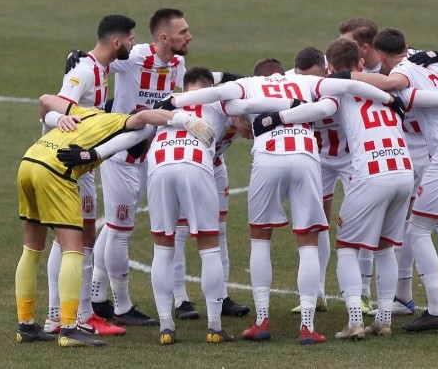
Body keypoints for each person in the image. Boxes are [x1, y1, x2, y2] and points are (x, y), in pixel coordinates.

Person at [155, 57, 408, 345]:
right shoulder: (305, 81)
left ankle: (262, 320)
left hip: (268, 158)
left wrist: (177, 101)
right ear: (282, 72)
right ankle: (307, 326)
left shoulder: (249, 84)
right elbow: (349, 85)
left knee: (260, 239)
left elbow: (217, 94)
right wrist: (388, 97)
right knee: (308, 241)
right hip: (305, 157)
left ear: (259, 75)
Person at [265, 38, 438, 339]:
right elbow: (434, 98)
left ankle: (354, 321)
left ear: (331, 68)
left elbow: (317, 109)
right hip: (403, 172)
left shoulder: (337, 90)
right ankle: (384, 319)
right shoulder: (390, 87)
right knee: (385, 247)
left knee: (348, 247)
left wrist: (278, 117)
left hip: (371, 173)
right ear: (362, 63)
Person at [15, 93, 212, 347]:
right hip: (56, 170)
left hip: (30, 160)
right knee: (74, 250)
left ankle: (26, 326)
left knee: (31, 249)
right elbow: (143, 116)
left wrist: (59, 117)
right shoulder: (118, 122)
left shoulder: (86, 112)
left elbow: (44, 100)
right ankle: (68, 328)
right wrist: (185, 120)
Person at [348, 28, 438, 332]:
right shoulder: (435, 62)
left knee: (418, 229)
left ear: (382, 54)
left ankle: (437, 309)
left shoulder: (403, 71)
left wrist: (344, 76)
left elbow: (391, 84)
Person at [144, 68, 292, 345]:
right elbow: (248, 108)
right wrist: (290, 103)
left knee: (162, 247)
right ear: (211, 86)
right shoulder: (220, 101)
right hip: (195, 163)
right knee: (209, 244)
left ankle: (166, 326)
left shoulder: (165, 100)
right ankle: (214, 326)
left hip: (160, 164)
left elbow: (142, 124)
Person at [90, 8, 192, 327]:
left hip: (150, 152)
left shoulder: (178, 63)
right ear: (164, 38)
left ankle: (96, 294)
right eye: (183, 32)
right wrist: (76, 57)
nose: (189, 36)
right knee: (121, 230)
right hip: (121, 152)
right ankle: (121, 306)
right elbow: (102, 56)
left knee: (119, 226)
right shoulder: (133, 57)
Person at [41, 15, 133, 338]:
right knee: (79, 238)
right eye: (131, 39)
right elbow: (56, 106)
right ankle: (78, 315)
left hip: (81, 167)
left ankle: (60, 315)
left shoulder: (100, 70)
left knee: (71, 238)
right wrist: (60, 122)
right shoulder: (85, 72)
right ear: (117, 42)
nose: (134, 44)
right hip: (71, 165)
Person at [169, 67, 251, 321]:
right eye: (192, 94)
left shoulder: (225, 106)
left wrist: (243, 118)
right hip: (187, 166)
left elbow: (245, 84)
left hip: (215, 168)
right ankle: (180, 299)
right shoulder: (176, 107)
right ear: (183, 93)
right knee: (180, 233)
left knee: (219, 232)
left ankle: (221, 296)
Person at [284, 47, 333, 315]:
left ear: (325, 69)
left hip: (350, 156)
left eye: (311, 78)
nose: (305, 84)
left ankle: (362, 293)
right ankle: (319, 291)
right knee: (317, 219)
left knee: (355, 221)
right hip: (319, 156)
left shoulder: (338, 79)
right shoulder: (290, 79)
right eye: (301, 77)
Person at [338, 17, 382, 314]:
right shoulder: (337, 72)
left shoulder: (399, 67)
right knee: (314, 223)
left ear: (364, 49)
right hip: (339, 157)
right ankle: (315, 295)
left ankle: (370, 297)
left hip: (375, 161)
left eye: (349, 42)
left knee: (393, 233)